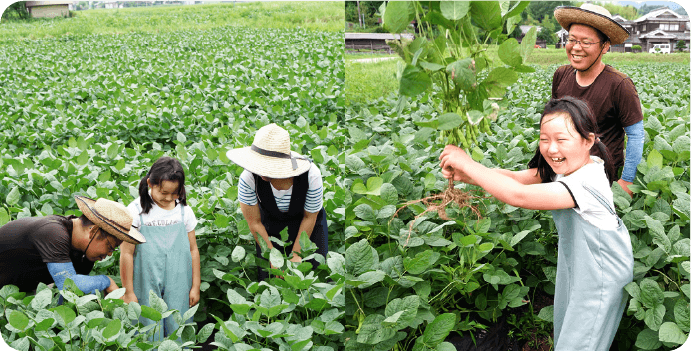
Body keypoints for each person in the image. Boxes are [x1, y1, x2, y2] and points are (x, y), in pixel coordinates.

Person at [439, 97, 633, 351]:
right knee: (568, 326)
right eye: (545, 139)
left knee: (584, 341)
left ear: (588, 140)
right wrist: (469, 175)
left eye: (562, 140)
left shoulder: (586, 182)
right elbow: (514, 179)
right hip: (581, 260)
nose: (552, 149)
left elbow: (518, 196)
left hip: (601, 273)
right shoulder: (571, 165)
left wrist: (469, 163)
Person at [550, 3, 644, 196]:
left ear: (605, 47)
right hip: (564, 172)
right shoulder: (561, 75)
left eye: (586, 42)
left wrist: (626, 180)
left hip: (600, 179)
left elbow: (636, 135)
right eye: (572, 39)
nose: (576, 47)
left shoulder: (619, 84)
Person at [226, 123, 328, 281]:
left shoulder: (311, 175)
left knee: (312, 277)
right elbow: (254, 223)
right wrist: (273, 256)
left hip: (309, 227)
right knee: (270, 281)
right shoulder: (248, 179)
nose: (262, 172)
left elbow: (310, 217)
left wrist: (296, 254)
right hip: (269, 229)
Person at [119, 156, 200, 341]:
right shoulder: (135, 211)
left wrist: (195, 286)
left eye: (175, 193)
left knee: (178, 325)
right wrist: (128, 291)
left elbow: (193, 249)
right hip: (145, 279)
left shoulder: (184, 211)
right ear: (150, 184)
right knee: (148, 326)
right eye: (164, 192)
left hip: (179, 279)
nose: (169, 198)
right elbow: (126, 253)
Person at [0, 195, 145, 294]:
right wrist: (106, 281)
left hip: (15, 291)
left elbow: (71, 297)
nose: (109, 254)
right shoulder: (53, 232)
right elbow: (68, 286)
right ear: (93, 230)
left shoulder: (84, 254)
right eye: (110, 246)